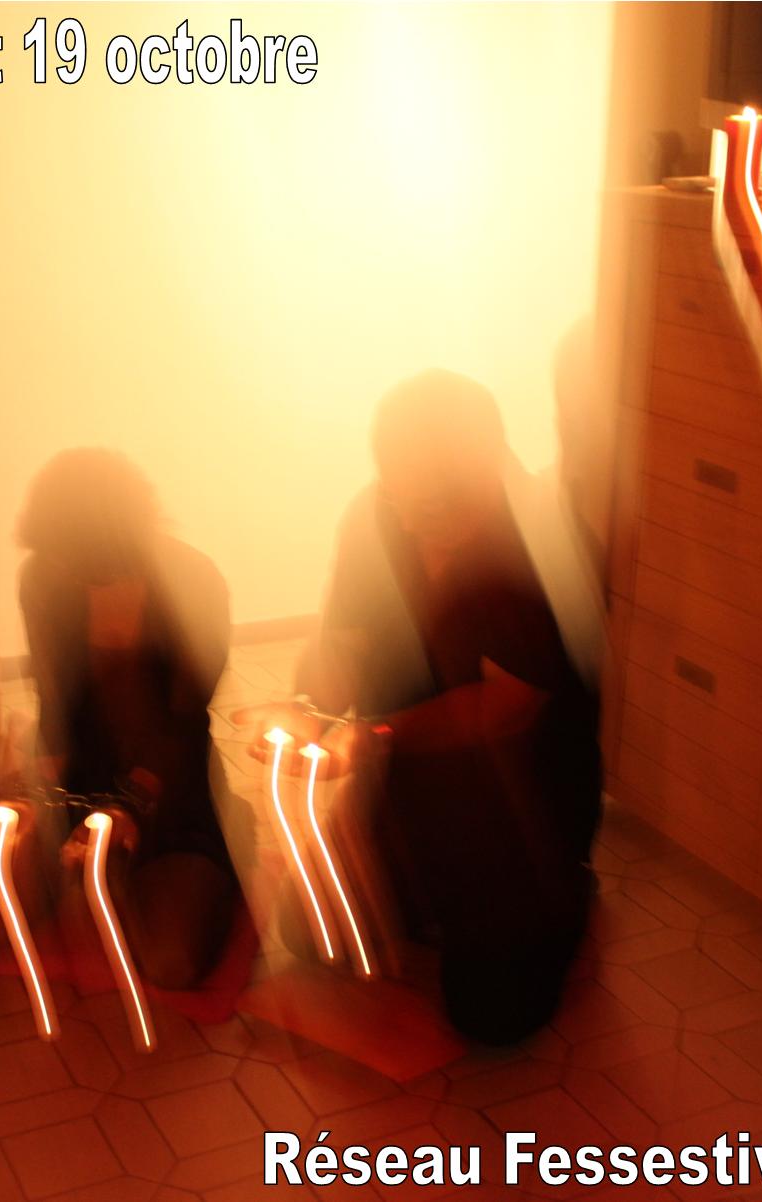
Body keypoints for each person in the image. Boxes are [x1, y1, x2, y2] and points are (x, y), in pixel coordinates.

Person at [238, 370, 601, 1043]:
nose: (405, 522)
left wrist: (372, 736)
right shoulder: (381, 512)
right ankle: (433, 886)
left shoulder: (546, 541)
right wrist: (307, 704)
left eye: (428, 508)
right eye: (394, 495)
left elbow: (505, 706)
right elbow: (343, 645)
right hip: (412, 779)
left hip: (522, 803)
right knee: (310, 932)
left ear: (487, 475)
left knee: (492, 1017)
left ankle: (563, 891)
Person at [2, 448, 246, 989]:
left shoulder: (193, 581)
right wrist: (29, 796)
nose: (68, 572)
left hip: (171, 783)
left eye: (80, 560)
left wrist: (129, 806)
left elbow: (183, 721)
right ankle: (100, 865)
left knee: (170, 961)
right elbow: (55, 705)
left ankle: (231, 832)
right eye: (59, 558)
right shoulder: (44, 576)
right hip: (79, 779)